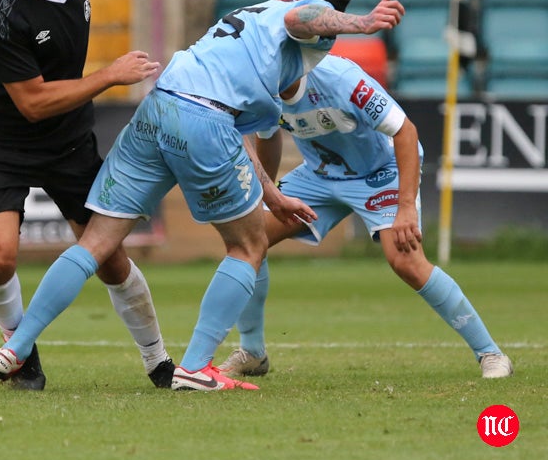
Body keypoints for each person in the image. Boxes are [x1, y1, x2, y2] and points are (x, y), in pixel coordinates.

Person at [0, 0, 406, 391]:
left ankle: (17, 346)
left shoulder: (255, 19)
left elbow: (240, 125)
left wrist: (272, 196)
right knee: (249, 245)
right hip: (204, 119)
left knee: (95, 242)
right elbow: (305, 17)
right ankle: (195, 367)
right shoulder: (306, 20)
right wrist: (364, 23)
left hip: (160, 104)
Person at [0, 0, 175, 390]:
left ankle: (159, 361)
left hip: (67, 142)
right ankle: (21, 354)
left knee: (110, 259)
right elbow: (33, 103)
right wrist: (109, 76)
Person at [217, 54, 513, 379]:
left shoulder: (341, 79)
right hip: (320, 176)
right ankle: (253, 353)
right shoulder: (263, 87)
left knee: (406, 261)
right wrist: (267, 196)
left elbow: (406, 132)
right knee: (248, 238)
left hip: (381, 172)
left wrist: (405, 208)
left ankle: (490, 354)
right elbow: (267, 135)